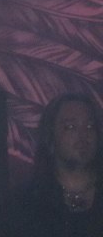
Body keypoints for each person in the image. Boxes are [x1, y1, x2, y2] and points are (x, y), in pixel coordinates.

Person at [11, 93, 103, 237]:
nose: (83, 135)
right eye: (71, 127)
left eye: (90, 126)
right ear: (51, 136)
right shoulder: (25, 202)